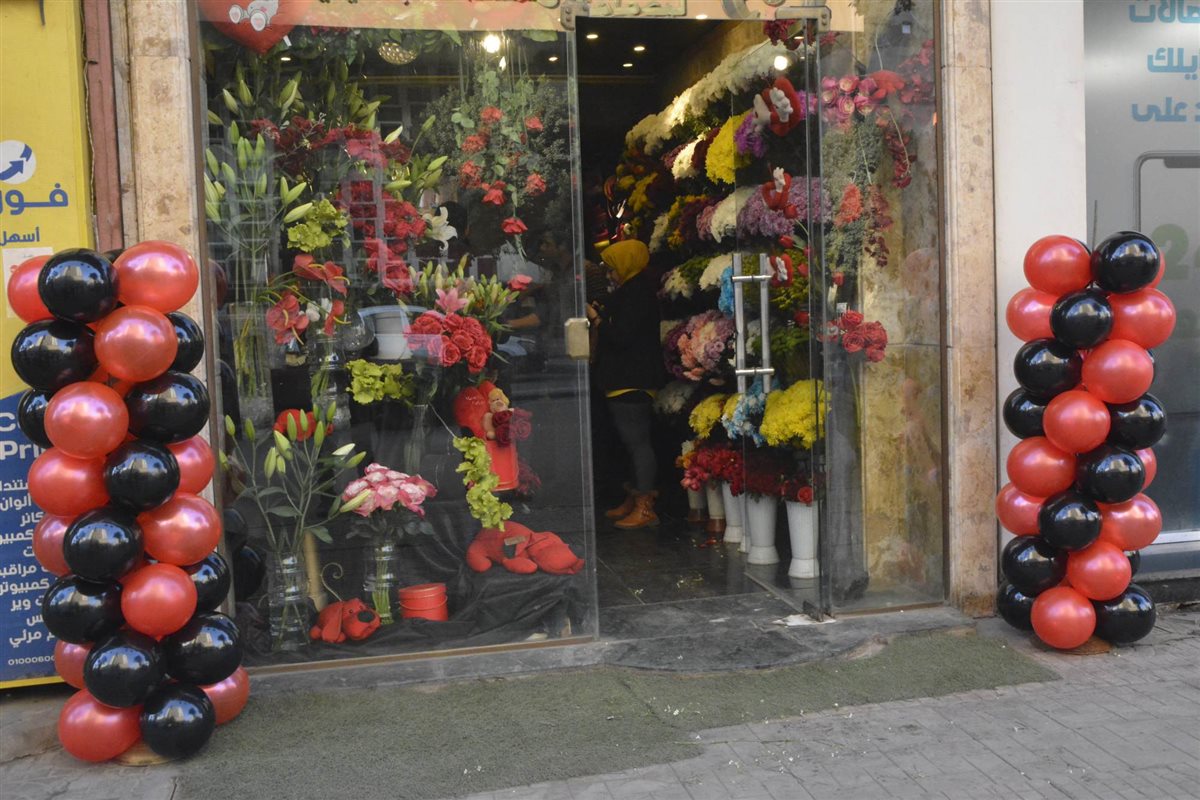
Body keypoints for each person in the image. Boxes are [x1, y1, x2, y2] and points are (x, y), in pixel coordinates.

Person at [587, 239, 665, 529]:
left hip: (633, 379)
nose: (610, 274)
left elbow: (621, 336)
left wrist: (597, 319)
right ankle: (634, 497)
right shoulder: (629, 291)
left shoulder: (638, 295)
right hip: (624, 377)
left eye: (612, 268)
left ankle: (645, 506)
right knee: (629, 444)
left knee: (637, 442)